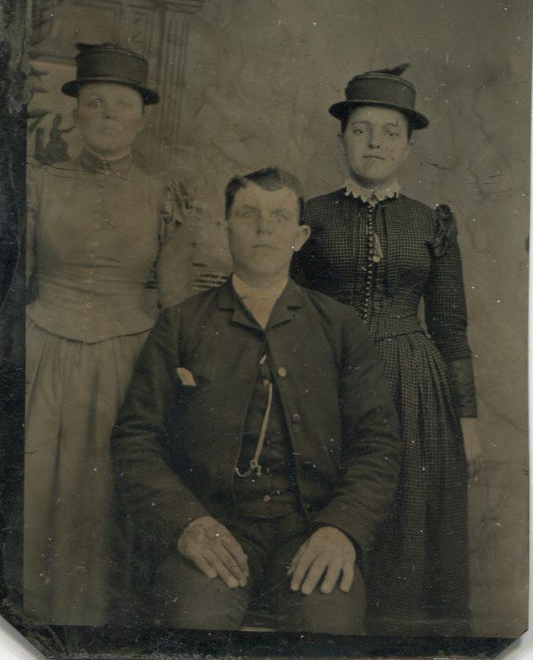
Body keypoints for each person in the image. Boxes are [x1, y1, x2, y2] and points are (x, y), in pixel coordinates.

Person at [111, 166, 401, 634]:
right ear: (225, 227)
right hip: (215, 528)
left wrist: (341, 529)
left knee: (330, 630)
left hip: (311, 528)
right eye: (248, 214)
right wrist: (188, 524)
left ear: (300, 235)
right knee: (192, 623)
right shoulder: (181, 324)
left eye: (279, 216)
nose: (264, 227)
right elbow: (135, 441)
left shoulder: (340, 326)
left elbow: (378, 443)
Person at [292, 65, 481, 636]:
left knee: (410, 512)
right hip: (328, 376)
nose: (374, 143)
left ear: (408, 145)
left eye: (389, 132)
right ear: (342, 137)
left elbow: (450, 326)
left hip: (414, 385)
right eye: (361, 129)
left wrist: (467, 418)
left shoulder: (431, 222)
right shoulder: (310, 215)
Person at [24, 43, 190, 626]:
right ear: (76, 113)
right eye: (94, 102)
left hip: (127, 361)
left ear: (141, 119)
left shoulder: (161, 195)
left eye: (122, 105)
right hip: (42, 350)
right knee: (36, 488)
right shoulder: (37, 185)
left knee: (106, 497)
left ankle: (98, 628)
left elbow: (173, 300)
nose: (108, 115)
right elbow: (16, 278)